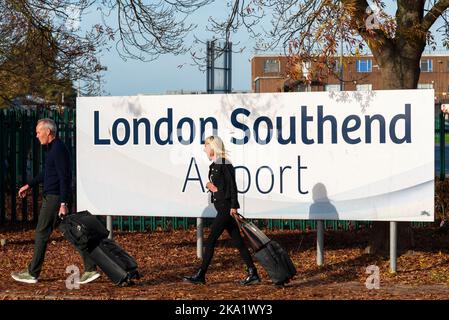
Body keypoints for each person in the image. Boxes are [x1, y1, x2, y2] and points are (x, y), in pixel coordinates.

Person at [11, 118, 100, 285]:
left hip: (55, 198)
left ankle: (32, 273)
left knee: (41, 233)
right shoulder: (54, 149)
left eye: (38, 132)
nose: (37, 136)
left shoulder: (58, 149)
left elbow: (64, 177)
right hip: (57, 198)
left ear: (48, 132)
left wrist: (63, 203)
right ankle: (91, 268)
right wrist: (29, 185)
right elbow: (47, 172)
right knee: (73, 233)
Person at [183, 135, 260, 285]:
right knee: (238, 242)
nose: (204, 148)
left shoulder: (224, 164)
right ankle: (253, 273)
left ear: (213, 146)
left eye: (206, 145)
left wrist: (233, 206)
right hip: (223, 207)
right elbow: (221, 187)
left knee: (211, 240)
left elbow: (232, 187)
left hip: (225, 208)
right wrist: (212, 187)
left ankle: (201, 275)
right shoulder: (215, 164)